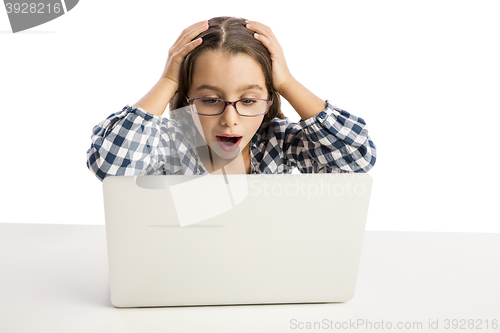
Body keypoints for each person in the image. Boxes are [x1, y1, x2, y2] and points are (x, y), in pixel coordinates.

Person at [86, 16, 377, 181]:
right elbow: (110, 165)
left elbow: (358, 158)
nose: (230, 120)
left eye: (248, 101)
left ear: (269, 100)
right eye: (211, 100)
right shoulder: (168, 143)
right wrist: (168, 81)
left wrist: (287, 83)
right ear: (187, 99)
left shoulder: (284, 144)